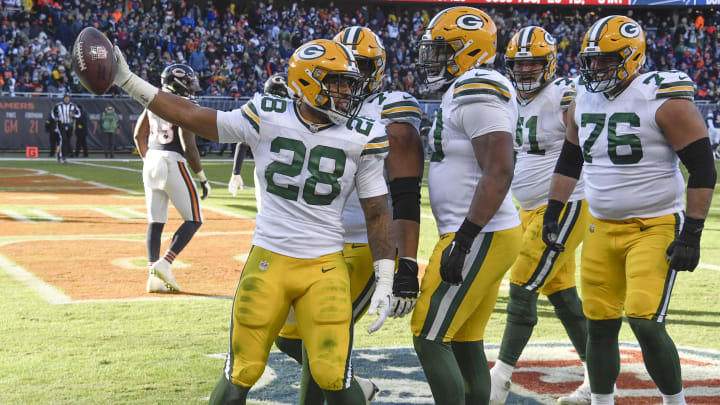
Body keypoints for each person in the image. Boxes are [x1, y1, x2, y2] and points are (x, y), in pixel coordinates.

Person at [109, 38, 396, 405]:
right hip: (270, 261)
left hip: (324, 265)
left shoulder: (363, 134)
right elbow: (190, 116)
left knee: (334, 376)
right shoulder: (267, 114)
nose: (347, 94)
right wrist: (128, 79)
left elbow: (377, 210)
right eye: (338, 83)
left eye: (349, 85)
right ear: (309, 82)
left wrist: (385, 278)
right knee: (241, 371)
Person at [543, 15, 716, 405]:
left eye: (606, 59)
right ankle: (602, 401)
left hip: (654, 226)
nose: (596, 67)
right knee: (599, 324)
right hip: (600, 227)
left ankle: (676, 402)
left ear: (632, 56)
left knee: (644, 320)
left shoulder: (662, 99)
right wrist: (553, 211)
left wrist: (692, 233)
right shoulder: (581, 101)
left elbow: (703, 168)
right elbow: (570, 162)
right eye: (592, 60)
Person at [269, 27, 425, 404]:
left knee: (319, 340)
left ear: (379, 68)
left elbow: (405, 194)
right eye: (348, 64)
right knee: (289, 334)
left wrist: (406, 263)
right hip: (319, 242)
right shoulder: (322, 104)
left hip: (363, 245)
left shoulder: (391, 108)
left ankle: (348, 389)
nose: (355, 74)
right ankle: (355, 385)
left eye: (364, 65)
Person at [411, 7, 522, 404]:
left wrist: (465, 238)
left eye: (442, 51)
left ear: (469, 50)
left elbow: (498, 170)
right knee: (463, 339)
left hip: (480, 233)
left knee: (428, 336)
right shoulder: (467, 86)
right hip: (483, 232)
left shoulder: (476, 86)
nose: (432, 60)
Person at [489, 26, 591, 405]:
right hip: (528, 208)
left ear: (548, 63)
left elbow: (580, 144)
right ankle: (599, 383)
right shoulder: (514, 98)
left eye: (533, 63)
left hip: (565, 205)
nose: (526, 70)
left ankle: (499, 378)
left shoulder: (564, 94)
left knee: (522, 279)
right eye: (519, 63)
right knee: (561, 294)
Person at [133, 63, 211, 293]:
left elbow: (139, 135)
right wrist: (202, 177)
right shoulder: (183, 104)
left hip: (152, 159)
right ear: (178, 82)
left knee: (155, 222)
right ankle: (165, 263)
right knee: (195, 218)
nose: (192, 86)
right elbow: (189, 147)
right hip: (171, 160)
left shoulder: (153, 100)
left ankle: (153, 277)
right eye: (188, 82)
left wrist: (149, 160)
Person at [50, 94, 80, 163]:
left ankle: (64, 155)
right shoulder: (58, 105)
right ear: (63, 99)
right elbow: (52, 112)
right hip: (61, 124)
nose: (67, 99)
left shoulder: (73, 106)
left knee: (67, 141)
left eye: (68, 98)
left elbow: (79, 114)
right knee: (63, 139)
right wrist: (55, 117)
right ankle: (60, 155)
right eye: (65, 98)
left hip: (69, 124)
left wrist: (73, 115)